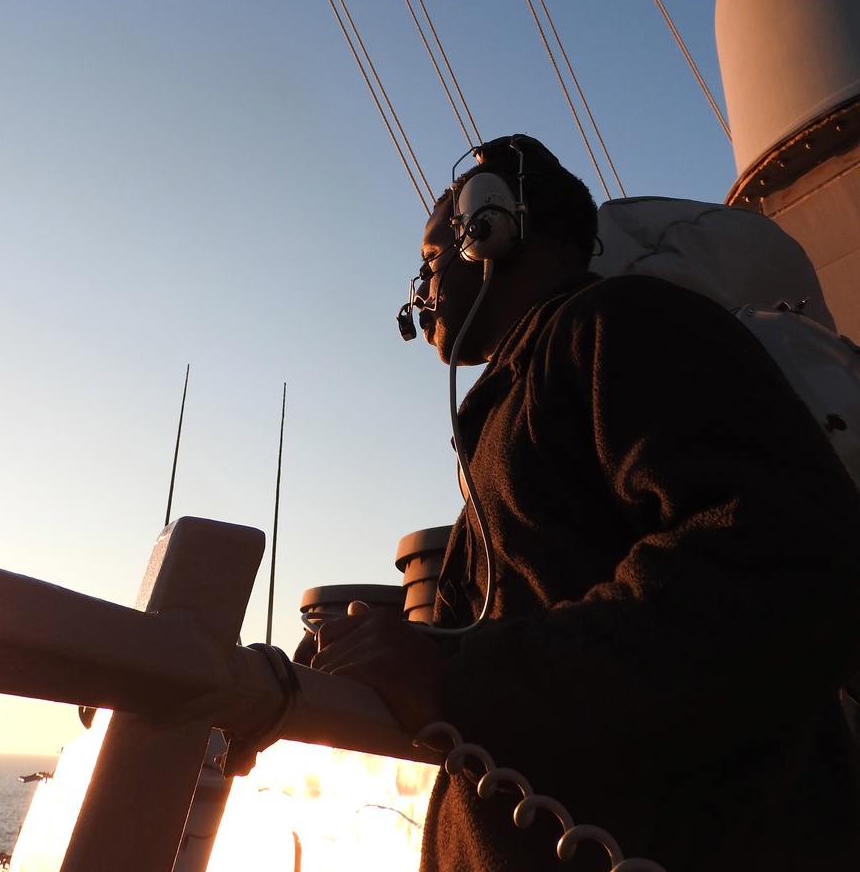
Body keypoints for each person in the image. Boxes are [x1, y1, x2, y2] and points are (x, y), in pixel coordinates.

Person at [310, 135, 860, 871]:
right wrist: (381, 652)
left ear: (492, 224)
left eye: (432, 250)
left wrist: (462, 681)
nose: (421, 283)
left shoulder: (619, 323)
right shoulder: (509, 423)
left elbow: (785, 557)